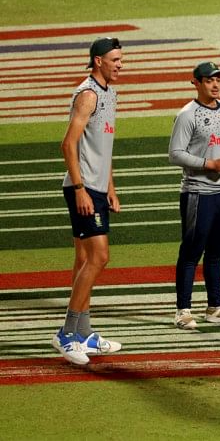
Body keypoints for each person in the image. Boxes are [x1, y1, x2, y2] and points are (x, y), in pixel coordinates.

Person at [53, 37, 125, 365]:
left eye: (120, 59)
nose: (120, 64)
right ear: (98, 61)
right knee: (99, 257)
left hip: (96, 186)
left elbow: (102, 146)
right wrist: (81, 188)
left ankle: (83, 332)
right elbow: (68, 144)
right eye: (114, 60)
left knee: (84, 258)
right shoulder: (88, 95)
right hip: (83, 187)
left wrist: (110, 187)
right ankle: (67, 333)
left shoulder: (110, 93)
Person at [168, 62, 220, 330]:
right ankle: (182, 311)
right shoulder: (187, 115)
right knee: (191, 252)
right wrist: (210, 164)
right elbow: (175, 154)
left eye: (218, 79)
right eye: (209, 80)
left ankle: (215, 306)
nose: (215, 84)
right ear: (196, 83)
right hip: (198, 193)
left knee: (217, 251)